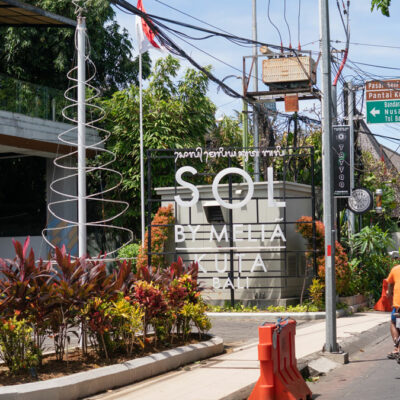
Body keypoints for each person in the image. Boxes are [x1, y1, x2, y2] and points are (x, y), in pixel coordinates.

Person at [387, 251, 400, 359]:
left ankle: (396, 347)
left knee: (393, 322)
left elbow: (390, 284)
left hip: (398, 305)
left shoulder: (395, 269)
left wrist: (389, 293)